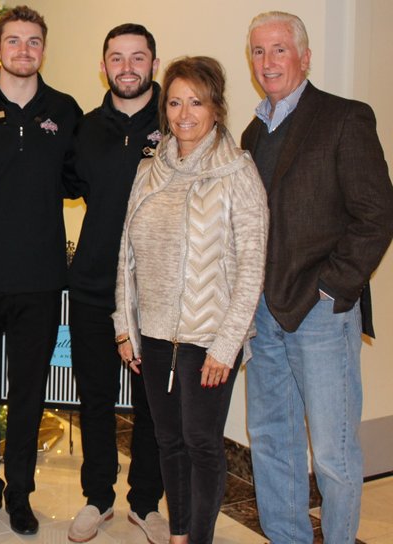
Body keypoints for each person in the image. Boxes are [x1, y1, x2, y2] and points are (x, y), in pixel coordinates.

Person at [242, 12, 393, 544]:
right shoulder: (253, 131)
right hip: (263, 314)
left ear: (304, 57)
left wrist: (331, 290)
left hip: (322, 316)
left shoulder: (345, 118)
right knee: (272, 443)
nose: (268, 61)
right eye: (259, 51)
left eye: (279, 49)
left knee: (333, 451)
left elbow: (376, 215)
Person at [114, 56, 269, 544]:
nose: (184, 113)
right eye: (175, 102)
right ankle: (178, 533)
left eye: (196, 102)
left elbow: (251, 267)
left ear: (216, 108)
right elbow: (126, 256)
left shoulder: (237, 172)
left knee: (202, 444)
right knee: (168, 441)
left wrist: (227, 344)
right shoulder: (150, 170)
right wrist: (125, 325)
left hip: (209, 340)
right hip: (155, 335)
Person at [0, 5, 82, 536]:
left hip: (41, 280)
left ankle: (22, 494)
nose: (23, 50)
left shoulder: (67, 110)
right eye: (13, 41)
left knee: (30, 393)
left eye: (33, 41)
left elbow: (80, 181)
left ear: (43, 49)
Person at [64, 23, 169, 544]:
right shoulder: (83, 128)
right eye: (116, 57)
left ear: (154, 63)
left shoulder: (176, 124)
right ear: (103, 65)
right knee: (96, 398)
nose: (127, 67)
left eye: (138, 57)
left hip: (156, 292)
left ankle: (146, 502)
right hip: (92, 287)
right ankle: (97, 498)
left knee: (153, 402)